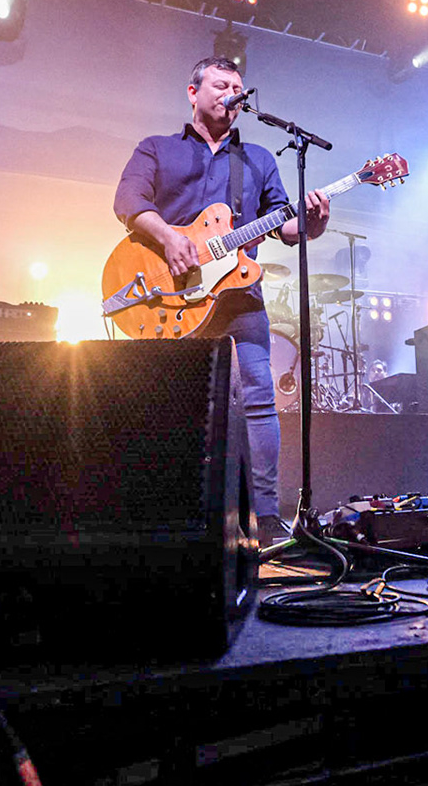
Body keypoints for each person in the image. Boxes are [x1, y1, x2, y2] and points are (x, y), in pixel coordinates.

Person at [113, 57, 330, 531]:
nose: (229, 92)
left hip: (238, 301)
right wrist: (171, 239)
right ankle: (161, 512)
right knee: (163, 404)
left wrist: (311, 224)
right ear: (193, 92)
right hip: (167, 298)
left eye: (237, 86)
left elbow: (284, 225)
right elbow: (128, 202)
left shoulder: (258, 160)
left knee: (259, 398)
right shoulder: (157, 149)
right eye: (219, 84)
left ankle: (267, 516)